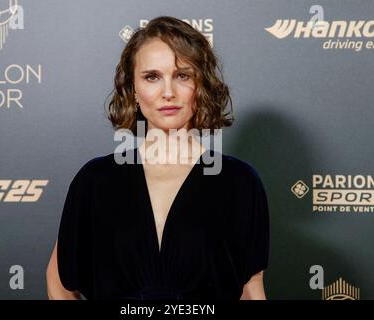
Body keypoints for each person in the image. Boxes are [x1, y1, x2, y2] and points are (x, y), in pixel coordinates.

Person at [46, 16, 269, 300]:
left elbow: (251, 288)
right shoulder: (96, 181)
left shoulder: (239, 182)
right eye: (152, 77)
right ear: (134, 89)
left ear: (201, 86)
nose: (168, 93)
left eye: (182, 76)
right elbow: (59, 282)